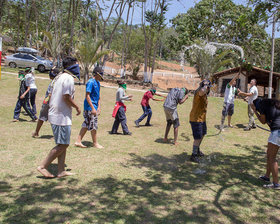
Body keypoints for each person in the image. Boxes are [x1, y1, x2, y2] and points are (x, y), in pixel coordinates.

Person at [37, 56, 81, 178]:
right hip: (60, 116)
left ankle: (61, 171)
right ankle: (42, 166)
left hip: (58, 114)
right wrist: (77, 107)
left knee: (62, 143)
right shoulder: (68, 78)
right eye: (76, 65)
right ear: (71, 66)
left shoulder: (59, 76)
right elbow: (66, 97)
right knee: (63, 145)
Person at [251, 98, 280, 190]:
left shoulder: (262, 105)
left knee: (272, 157)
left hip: (277, 132)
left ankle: (276, 184)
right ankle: (267, 176)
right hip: (276, 131)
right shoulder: (272, 104)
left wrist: (255, 111)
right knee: (269, 154)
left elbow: (263, 121)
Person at [75, 66, 104, 149]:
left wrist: (98, 107)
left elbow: (98, 96)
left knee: (87, 124)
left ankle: (78, 141)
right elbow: (87, 96)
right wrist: (93, 108)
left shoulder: (98, 83)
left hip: (94, 107)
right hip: (89, 108)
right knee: (93, 125)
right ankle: (95, 143)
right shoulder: (90, 82)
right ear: (97, 74)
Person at [32, 67, 60, 137]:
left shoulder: (55, 82)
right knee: (42, 117)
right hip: (48, 101)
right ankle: (36, 132)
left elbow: (51, 94)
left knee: (52, 118)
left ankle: (55, 135)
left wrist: (51, 103)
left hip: (50, 102)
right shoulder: (55, 81)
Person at [189, 79, 212, 163]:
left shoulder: (205, 94)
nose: (209, 89)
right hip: (196, 119)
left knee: (202, 134)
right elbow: (202, 91)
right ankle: (193, 155)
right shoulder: (199, 92)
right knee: (197, 137)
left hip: (202, 119)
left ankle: (197, 150)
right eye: (209, 87)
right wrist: (205, 85)